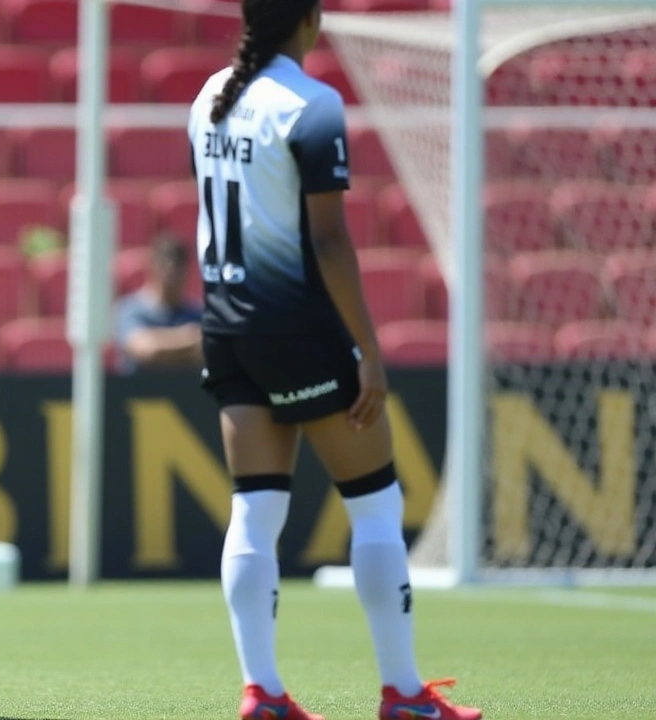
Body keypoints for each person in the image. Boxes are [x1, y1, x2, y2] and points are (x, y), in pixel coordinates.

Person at [187, 2, 482, 720]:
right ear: (312, 20)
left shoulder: (208, 96)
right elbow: (328, 242)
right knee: (376, 503)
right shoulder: (313, 105)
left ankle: (262, 693)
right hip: (298, 330)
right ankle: (404, 693)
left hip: (226, 327)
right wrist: (371, 354)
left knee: (256, 509)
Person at [113, 234, 203, 374]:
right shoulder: (130, 309)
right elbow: (145, 349)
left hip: (186, 392)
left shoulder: (196, 312)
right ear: (152, 266)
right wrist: (188, 337)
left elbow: (206, 351)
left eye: (178, 265)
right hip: (140, 393)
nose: (172, 272)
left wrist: (164, 347)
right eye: (165, 264)